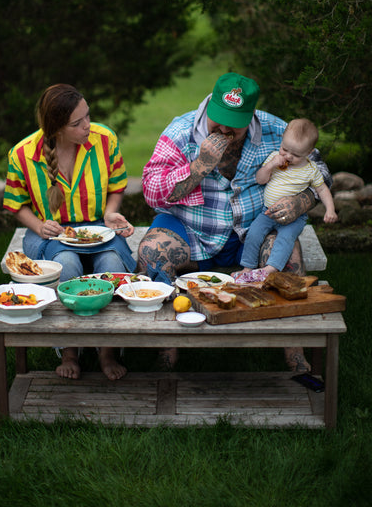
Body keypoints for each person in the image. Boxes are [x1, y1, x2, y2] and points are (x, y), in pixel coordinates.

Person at [138, 72, 332, 372]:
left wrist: (302, 200)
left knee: (290, 257)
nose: (225, 128)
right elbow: (151, 192)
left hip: (251, 229)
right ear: (210, 105)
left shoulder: (275, 129)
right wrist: (199, 166)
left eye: (234, 123)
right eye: (219, 119)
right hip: (191, 229)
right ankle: (166, 348)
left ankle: (294, 351)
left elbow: (321, 169)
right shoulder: (180, 131)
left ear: (251, 115)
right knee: (152, 251)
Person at [3, 84, 135, 381]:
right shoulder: (23, 154)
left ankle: (107, 347)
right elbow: (14, 203)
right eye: (77, 123)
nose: (88, 126)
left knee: (112, 266)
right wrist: (38, 225)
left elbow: (117, 186)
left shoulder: (105, 140)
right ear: (57, 128)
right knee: (68, 263)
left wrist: (111, 212)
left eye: (88, 116)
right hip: (50, 232)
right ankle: (70, 349)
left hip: (98, 227)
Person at [234, 118, 337, 283]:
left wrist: (330, 210)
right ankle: (247, 267)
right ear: (281, 142)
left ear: (309, 152)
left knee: (285, 239)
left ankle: (271, 268)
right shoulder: (274, 157)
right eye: (285, 149)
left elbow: (322, 189)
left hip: (294, 219)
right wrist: (270, 166)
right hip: (267, 212)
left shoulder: (311, 169)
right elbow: (261, 179)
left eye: (295, 155)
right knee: (254, 233)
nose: (288, 156)